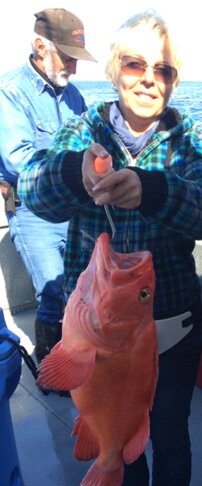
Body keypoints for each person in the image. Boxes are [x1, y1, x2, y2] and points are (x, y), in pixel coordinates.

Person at [18, 10, 202, 486]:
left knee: (169, 436)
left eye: (162, 69)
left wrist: (154, 189)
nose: (148, 78)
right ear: (114, 70)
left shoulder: (192, 141)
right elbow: (34, 193)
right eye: (135, 64)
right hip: (100, 341)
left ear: (174, 81)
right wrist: (72, 173)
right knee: (117, 430)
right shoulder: (80, 134)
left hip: (173, 334)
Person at [0, 8, 96, 367]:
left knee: (82, 290)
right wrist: (74, 167)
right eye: (68, 58)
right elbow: (16, 159)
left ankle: (80, 364)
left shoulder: (73, 97)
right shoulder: (10, 91)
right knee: (53, 292)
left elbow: (92, 139)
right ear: (41, 47)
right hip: (32, 210)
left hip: (75, 211)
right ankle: (52, 368)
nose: (74, 68)